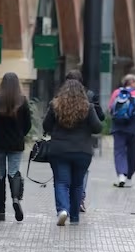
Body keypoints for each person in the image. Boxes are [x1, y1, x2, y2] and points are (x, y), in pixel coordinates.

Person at [42, 79, 103, 226]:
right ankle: (75, 217)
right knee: (77, 184)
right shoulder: (88, 107)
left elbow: (46, 125)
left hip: (59, 150)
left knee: (61, 182)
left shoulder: (55, 105)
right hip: (82, 151)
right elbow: (97, 128)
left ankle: (63, 210)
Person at [0, 72, 32, 222]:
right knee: (14, 172)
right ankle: (16, 199)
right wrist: (19, 134)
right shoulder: (22, 100)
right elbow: (28, 124)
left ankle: (1, 209)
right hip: (16, 143)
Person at [63, 70, 104, 213]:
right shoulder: (90, 96)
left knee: (64, 174)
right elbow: (101, 119)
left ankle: (66, 202)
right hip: (83, 143)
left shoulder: (60, 98)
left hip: (63, 143)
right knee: (83, 173)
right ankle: (79, 199)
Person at [110, 77, 135, 188]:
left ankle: (121, 175)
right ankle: (129, 177)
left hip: (118, 127)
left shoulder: (116, 92)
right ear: (132, 83)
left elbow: (111, 108)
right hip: (133, 128)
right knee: (131, 152)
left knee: (119, 151)